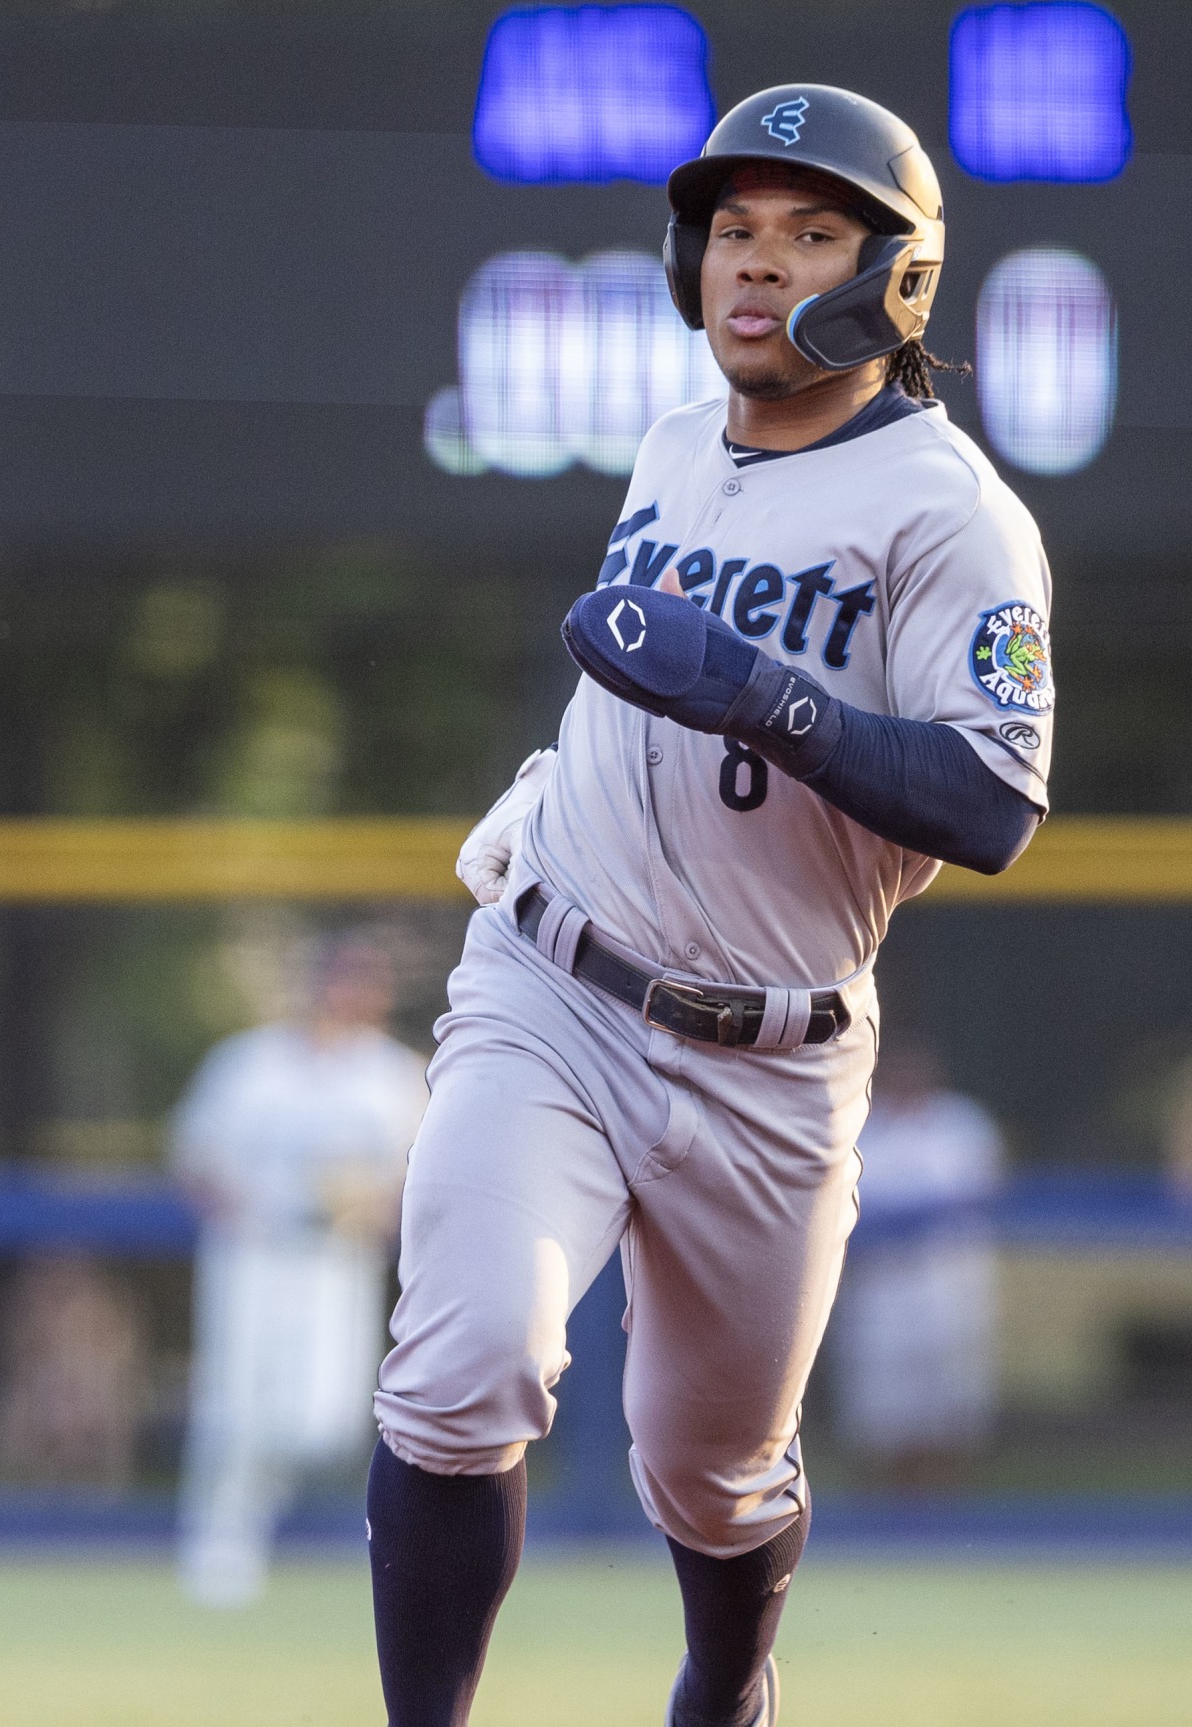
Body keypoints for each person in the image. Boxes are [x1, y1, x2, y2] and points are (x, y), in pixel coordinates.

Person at [378, 85, 1051, 1727]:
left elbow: (989, 805)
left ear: (893, 275)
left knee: (716, 1476)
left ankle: (730, 1681)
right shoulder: (677, 439)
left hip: (775, 1055)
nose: (757, 266)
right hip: (551, 977)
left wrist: (767, 692)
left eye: (809, 232)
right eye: (734, 231)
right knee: (468, 1368)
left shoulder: (955, 517)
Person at [171, 936, 426, 1606]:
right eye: (337, 980)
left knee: (324, 1418)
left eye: (361, 982)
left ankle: (264, 1502)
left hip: (336, 1261)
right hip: (251, 1253)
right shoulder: (248, 1062)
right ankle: (221, 1547)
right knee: (234, 1401)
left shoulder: (392, 1074)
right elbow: (195, 1161)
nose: (346, 995)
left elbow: (420, 1180)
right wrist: (243, 1205)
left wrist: (371, 1205)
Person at [832, 1044, 1004, 1489]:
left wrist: (904, 1218)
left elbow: (976, 1200)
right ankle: (889, 1526)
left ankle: (945, 1520)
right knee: (883, 1418)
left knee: (950, 1414)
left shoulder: (962, 1124)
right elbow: (844, 1216)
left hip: (949, 1292)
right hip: (880, 1293)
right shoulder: (859, 1127)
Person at [0, 1244, 149, 1500]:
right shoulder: (26, 1301)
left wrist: (88, 1387)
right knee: (22, 1406)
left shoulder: (107, 1300)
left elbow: (122, 1355)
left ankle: (108, 1500)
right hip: (45, 1382)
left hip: (94, 1382)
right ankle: (13, 1503)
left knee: (110, 1408)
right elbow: (18, 1357)